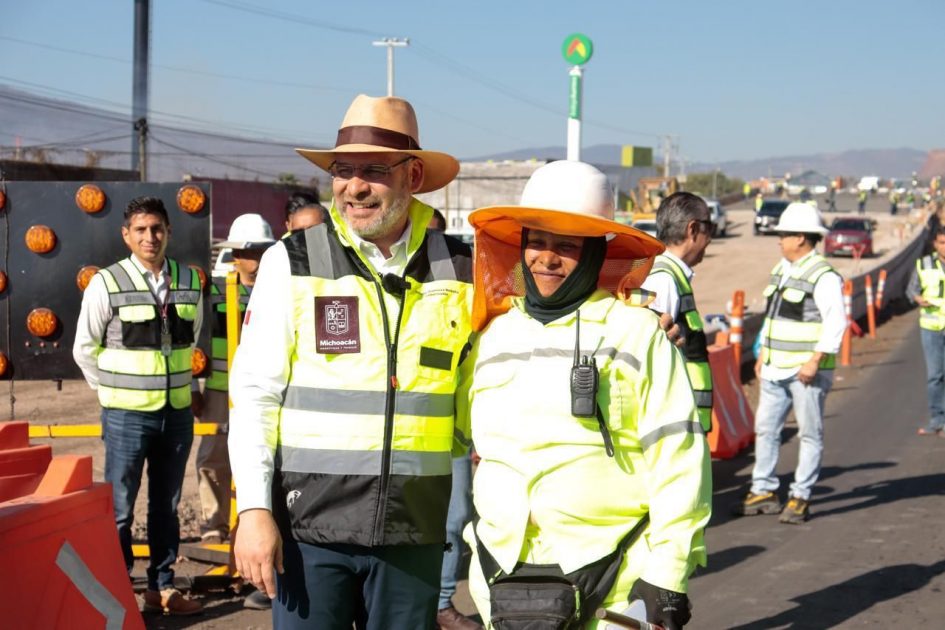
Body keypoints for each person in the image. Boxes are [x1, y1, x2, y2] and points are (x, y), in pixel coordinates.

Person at [227, 94, 476, 630]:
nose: (354, 187)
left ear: (412, 174)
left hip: (414, 535)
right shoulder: (291, 261)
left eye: (372, 170)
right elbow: (254, 395)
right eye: (343, 170)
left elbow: (491, 395)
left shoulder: (461, 272)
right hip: (308, 534)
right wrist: (253, 510)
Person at [458, 161, 712, 630]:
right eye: (537, 241)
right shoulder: (493, 337)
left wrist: (669, 577)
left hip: (613, 582)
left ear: (595, 252)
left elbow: (679, 461)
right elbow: (462, 438)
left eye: (567, 246)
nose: (546, 259)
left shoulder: (638, 334)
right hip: (502, 580)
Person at [73, 196, 204, 615]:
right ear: (126, 235)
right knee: (120, 506)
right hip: (126, 415)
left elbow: (193, 336)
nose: (151, 237)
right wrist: (109, 391)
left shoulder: (188, 280)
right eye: (142, 230)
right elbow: (84, 349)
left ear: (168, 231)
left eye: (158, 228)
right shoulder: (106, 283)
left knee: (167, 504)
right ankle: (118, 590)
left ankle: (161, 588)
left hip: (176, 412)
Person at [732, 202, 845, 525]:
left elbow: (836, 322)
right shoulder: (781, 269)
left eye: (782, 235)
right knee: (766, 429)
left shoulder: (823, 276)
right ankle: (763, 489)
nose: (778, 240)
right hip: (774, 367)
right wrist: (762, 351)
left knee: (810, 434)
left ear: (800, 238)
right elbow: (772, 316)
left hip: (806, 371)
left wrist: (814, 360)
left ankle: (800, 496)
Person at [192, 213, 276, 609]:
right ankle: (214, 526)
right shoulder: (215, 296)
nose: (254, 261)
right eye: (247, 253)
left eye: (260, 251)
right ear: (235, 255)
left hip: (265, 390)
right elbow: (197, 341)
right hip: (221, 389)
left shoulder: (278, 290)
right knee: (212, 457)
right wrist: (196, 387)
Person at [642, 192, 714, 432]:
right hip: (671, 421)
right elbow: (650, 355)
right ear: (692, 229)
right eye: (709, 227)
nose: (711, 238)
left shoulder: (669, 274)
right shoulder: (664, 280)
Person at [906, 226, 945, 436]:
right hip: (931, 327)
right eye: (942, 243)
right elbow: (911, 289)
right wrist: (918, 298)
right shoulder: (924, 264)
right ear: (935, 244)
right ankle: (937, 420)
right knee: (935, 375)